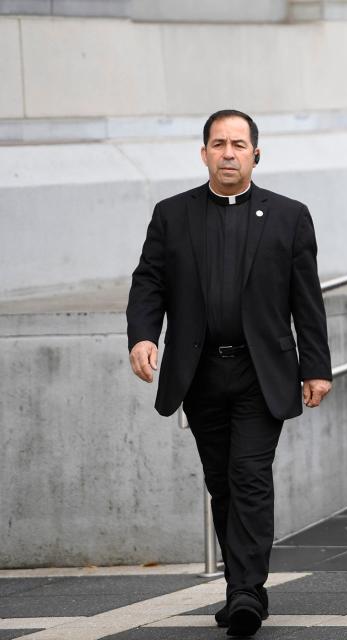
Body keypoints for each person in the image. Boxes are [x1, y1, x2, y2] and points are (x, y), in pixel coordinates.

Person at [126, 109, 332, 638]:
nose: (228, 152)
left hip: (261, 371)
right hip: (199, 373)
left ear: (256, 154)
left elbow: (305, 299)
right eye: (218, 143)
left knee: (248, 476)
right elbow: (149, 282)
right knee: (222, 483)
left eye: (239, 144)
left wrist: (317, 367)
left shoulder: (289, 216)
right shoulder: (172, 214)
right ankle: (243, 586)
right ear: (203, 153)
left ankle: (245, 591)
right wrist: (144, 336)